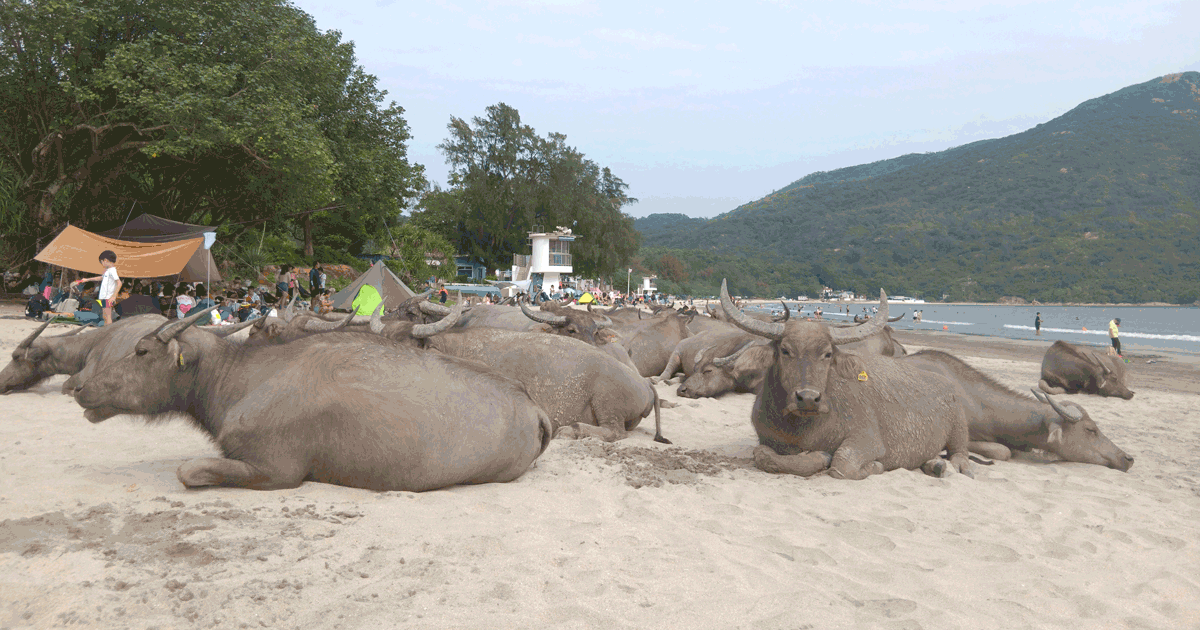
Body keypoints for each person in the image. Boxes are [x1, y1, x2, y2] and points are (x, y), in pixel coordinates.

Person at [72, 250, 121, 326]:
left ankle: (108, 332)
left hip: (108, 298)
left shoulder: (112, 271)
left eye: (101, 262)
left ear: (105, 260)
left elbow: (119, 283)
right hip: (105, 297)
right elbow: (101, 278)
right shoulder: (108, 271)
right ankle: (106, 331)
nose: (102, 264)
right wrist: (87, 279)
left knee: (107, 317)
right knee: (105, 316)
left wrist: (113, 296)